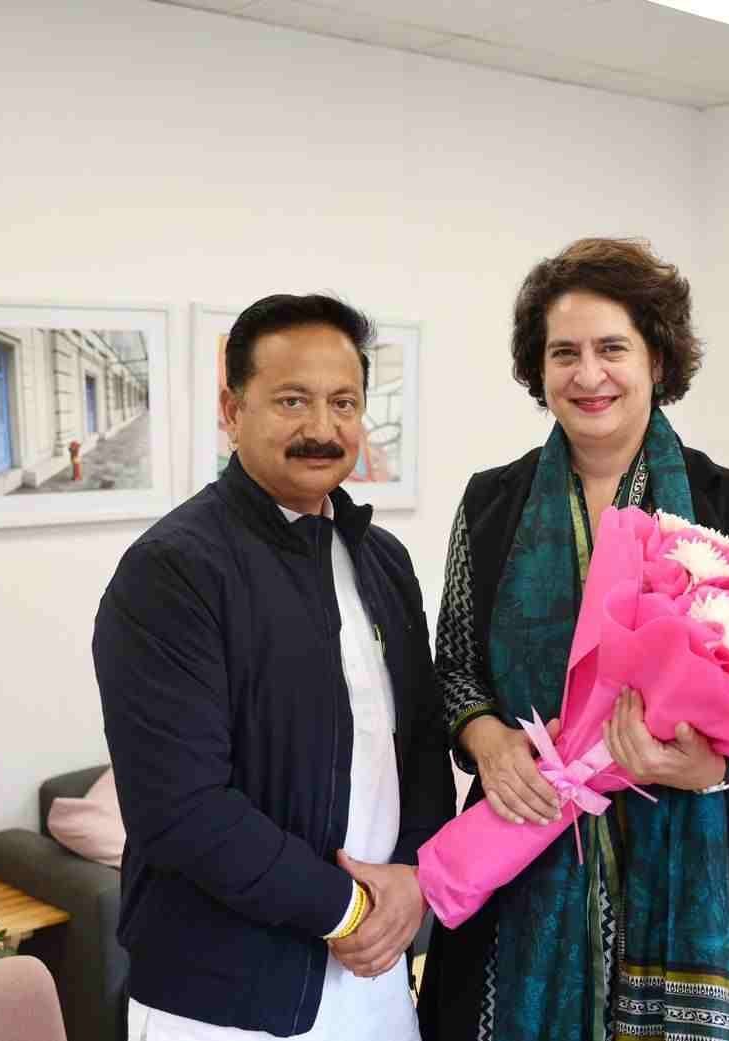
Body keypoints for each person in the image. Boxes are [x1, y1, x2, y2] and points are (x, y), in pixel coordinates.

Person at [416, 239, 729, 1041]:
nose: (589, 375)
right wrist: (487, 739)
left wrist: (712, 767)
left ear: (657, 357)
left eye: (612, 348)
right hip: (519, 842)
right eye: (565, 353)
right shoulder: (491, 504)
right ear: (539, 367)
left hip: (694, 854)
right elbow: (454, 669)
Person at [93, 293, 454, 1040]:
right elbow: (182, 808)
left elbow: (420, 748)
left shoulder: (381, 560)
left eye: (343, 402)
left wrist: (416, 879)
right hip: (225, 997)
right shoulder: (172, 571)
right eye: (292, 400)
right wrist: (348, 909)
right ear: (232, 411)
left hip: (377, 974)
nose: (322, 428)